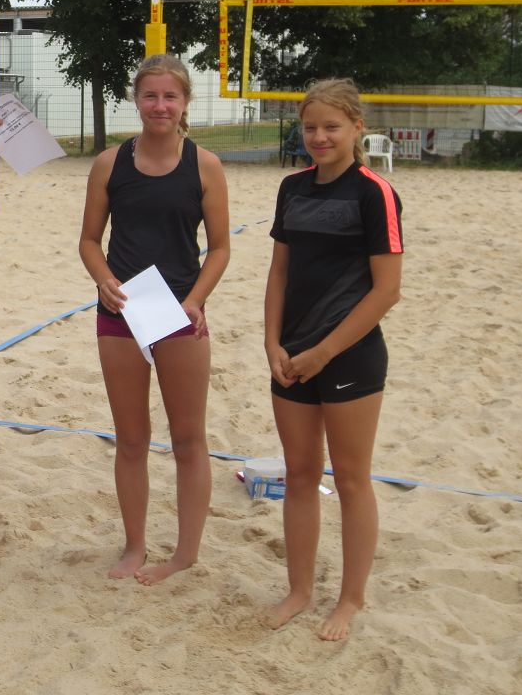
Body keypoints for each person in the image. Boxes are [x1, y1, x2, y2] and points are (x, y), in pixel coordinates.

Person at [78, 54, 230, 584]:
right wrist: (103, 279)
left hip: (179, 311)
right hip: (122, 310)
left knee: (188, 439)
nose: (160, 105)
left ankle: (185, 553)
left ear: (185, 102)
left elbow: (220, 248)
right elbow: (89, 240)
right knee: (131, 438)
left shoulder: (204, 165)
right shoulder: (110, 163)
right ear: (136, 100)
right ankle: (135, 545)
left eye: (170, 96)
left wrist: (196, 300)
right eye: (150, 95)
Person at [262, 78, 403, 641]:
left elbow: (386, 291)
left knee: (350, 479)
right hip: (292, 353)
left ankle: (350, 598)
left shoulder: (374, 192)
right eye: (310, 127)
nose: (319, 137)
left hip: (348, 356)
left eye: (331, 127)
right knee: (299, 474)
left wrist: (323, 351)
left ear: (356, 128)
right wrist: (272, 342)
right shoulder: (292, 188)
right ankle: (299, 591)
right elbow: (279, 272)